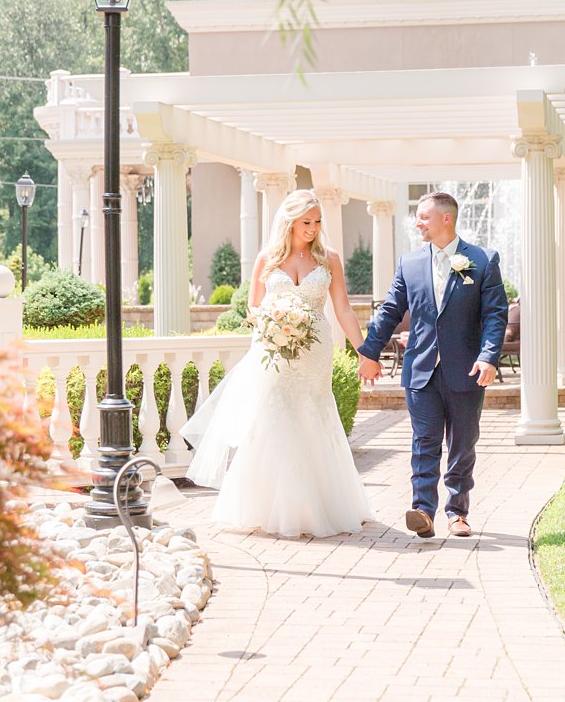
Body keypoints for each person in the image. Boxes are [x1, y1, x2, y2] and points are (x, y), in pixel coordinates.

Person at [183, 190, 376, 538]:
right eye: (306, 222)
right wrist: (275, 324)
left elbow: (343, 309)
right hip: (275, 351)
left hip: (315, 351)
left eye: (317, 222)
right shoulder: (267, 259)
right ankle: (267, 506)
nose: (313, 228)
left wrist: (365, 350)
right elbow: (253, 310)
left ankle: (322, 505)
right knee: (275, 418)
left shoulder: (328, 259)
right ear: (289, 221)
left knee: (312, 415)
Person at [357, 191, 507, 539]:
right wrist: (370, 353)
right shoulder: (409, 263)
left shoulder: (483, 260)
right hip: (421, 370)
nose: (417, 222)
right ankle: (423, 510)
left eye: (424, 216)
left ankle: (458, 512)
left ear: (446, 219)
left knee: (462, 443)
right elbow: (391, 311)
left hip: (466, 370)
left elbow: (496, 315)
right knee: (424, 441)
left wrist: (488, 357)